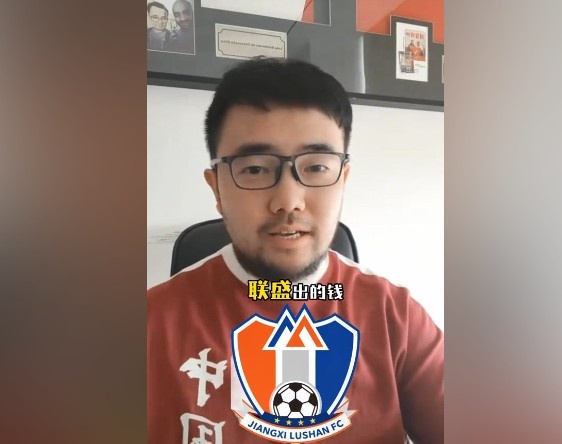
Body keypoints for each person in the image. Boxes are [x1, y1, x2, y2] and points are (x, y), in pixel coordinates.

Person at [147, 58, 444, 443]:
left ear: (343, 179)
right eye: (255, 169)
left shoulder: (394, 317)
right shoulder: (151, 325)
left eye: (316, 167)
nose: (289, 201)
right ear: (216, 187)